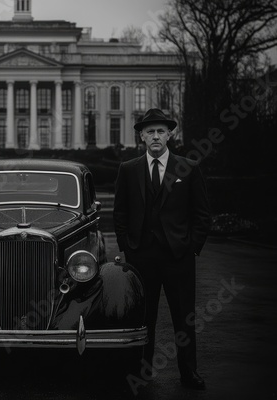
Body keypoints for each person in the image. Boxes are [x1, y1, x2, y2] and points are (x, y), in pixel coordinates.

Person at [113, 108, 210, 390]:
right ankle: (142, 372)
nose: (155, 136)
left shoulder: (188, 167)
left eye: (160, 131)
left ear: (169, 134)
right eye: (150, 132)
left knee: (185, 317)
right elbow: (120, 213)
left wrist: (192, 247)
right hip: (142, 256)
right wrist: (126, 247)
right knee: (144, 318)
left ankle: (188, 372)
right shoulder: (128, 169)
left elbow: (202, 213)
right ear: (141, 136)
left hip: (178, 256)